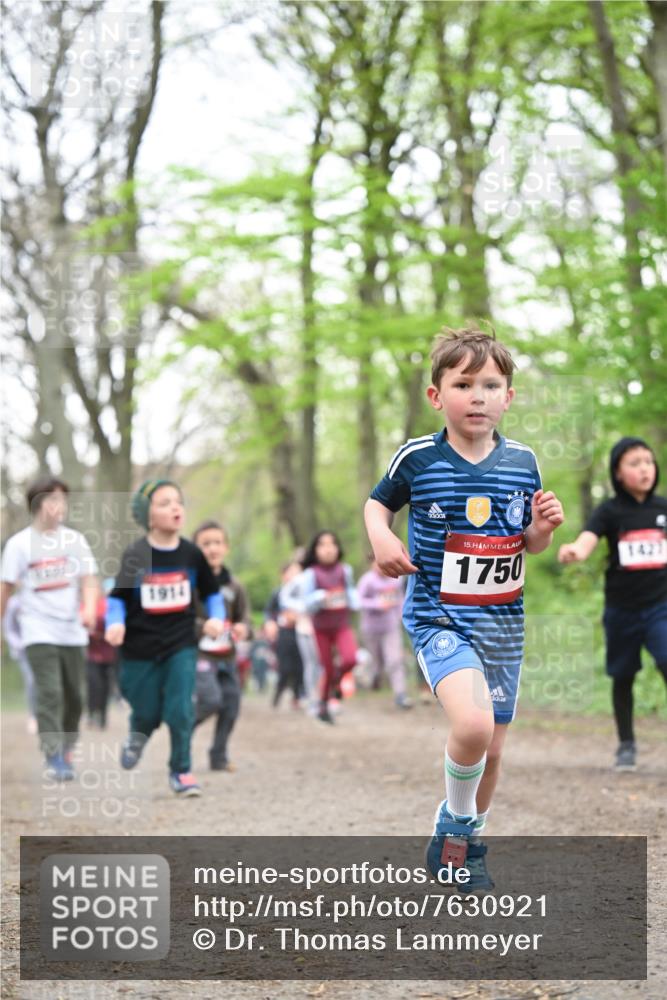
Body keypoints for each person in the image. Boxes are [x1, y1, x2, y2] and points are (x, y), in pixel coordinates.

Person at [364, 325, 564, 889]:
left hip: (503, 626)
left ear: (509, 396)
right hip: (439, 618)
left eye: (491, 384)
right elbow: (377, 506)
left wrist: (543, 528)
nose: (478, 396)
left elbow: (528, 544)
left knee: (493, 750)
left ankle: (466, 845)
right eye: (464, 383)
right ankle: (454, 826)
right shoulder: (419, 458)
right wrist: (381, 538)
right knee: (473, 725)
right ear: (437, 395)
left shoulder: (524, 462)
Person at [104, 480, 225, 797]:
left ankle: (182, 771)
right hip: (139, 648)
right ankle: (137, 734)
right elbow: (116, 599)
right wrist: (114, 623)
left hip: (180, 644)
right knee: (147, 711)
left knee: (180, 709)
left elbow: (213, 594)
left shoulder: (192, 554)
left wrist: (217, 619)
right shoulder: (135, 554)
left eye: (178, 501)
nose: (175, 507)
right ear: (147, 515)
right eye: (164, 503)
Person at [558, 437, 667, 771]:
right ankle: (626, 744)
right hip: (622, 610)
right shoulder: (610, 511)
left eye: (647, 461)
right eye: (634, 463)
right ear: (619, 473)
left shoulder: (663, 509)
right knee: (623, 676)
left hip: (660, 607)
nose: (644, 468)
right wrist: (576, 551)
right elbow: (588, 539)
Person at [0, 476, 98, 780]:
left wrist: (90, 609)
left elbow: (89, 579)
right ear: (38, 504)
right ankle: (53, 753)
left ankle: (67, 747)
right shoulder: (19, 545)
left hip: (72, 630)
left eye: (63, 501)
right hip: (37, 629)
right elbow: (5, 588)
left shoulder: (75, 541)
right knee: (50, 691)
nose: (61, 507)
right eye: (54, 500)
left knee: (75, 696)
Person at [191, 520, 251, 772]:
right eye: (205, 544)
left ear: (225, 547)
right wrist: (202, 625)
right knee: (210, 700)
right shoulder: (189, 584)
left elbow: (244, 617)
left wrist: (243, 628)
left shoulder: (234, 586)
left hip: (226, 655)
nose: (212, 548)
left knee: (231, 703)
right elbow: (179, 619)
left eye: (217, 543)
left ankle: (218, 755)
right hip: (199, 654)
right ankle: (182, 730)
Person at [299, 531, 359, 724]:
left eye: (332, 544)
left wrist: (355, 601)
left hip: (342, 625)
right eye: (322, 544)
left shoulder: (345, 570)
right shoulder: (310, 574)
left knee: (350, 659)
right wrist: (320, 597)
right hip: (320, 628)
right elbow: (305, 604)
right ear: (315, 550)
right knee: (326, 667)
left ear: (338, 548)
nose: (328, 548)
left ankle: (336, 685)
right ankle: (323, 704)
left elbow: (351, 592)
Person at [357, 555, 411, 709]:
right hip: (371, 629)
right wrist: (377, 604)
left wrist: (403, 615)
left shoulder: (396, 579)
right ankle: (375, 675)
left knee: (394, 660)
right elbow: (358, 600)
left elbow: (400, 598)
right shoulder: (367, 581)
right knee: (377, 661)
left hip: (390, 626)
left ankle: (400, 695)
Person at [265, 561, 305, 709]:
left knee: (300, 666)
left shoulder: (305, 592)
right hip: (284, 633)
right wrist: (271, 624)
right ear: (284, 575)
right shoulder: (278, 592)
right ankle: (278, 692)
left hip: (301, 632)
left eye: (298, 572)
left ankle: (297, 697)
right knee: (285, 666)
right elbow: (269, 612)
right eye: (292, 572)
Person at [2, 593, 38, 733]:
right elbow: (8, 628)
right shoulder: (14, 603)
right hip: (24, 651)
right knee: (31, 680)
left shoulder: (41, 599)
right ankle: (33, 715)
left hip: (43, 646)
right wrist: (20, 644)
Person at [85, 578, 118, 729]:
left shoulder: (108, 606)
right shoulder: (86, 608)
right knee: (94, 685)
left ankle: (103, 717)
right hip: (92, 654)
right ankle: (92, 714)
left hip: (108, 654)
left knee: (105, 687)